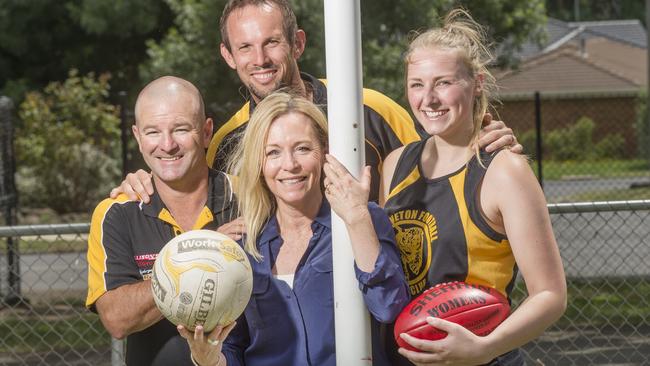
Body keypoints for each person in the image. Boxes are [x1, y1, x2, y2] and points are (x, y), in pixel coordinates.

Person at [110, 0, 521, 204]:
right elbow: (187, 194)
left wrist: (486, 140)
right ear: (228, 56)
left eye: (272, 42)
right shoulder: (227, 142)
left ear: (298, 43)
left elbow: (447, 153)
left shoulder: (368, 109)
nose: (260, 60)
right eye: (245, 47)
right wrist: (144, 182)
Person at [379, 9, 567, 366]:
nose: (428, 98)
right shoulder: (395, 165)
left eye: (443, 82)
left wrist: (486, 348)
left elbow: (551, 295)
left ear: (477, 82)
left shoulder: (504, 170)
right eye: (417, 84)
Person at [176, 92, 410, 366]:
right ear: (259, 163)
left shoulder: (361, 218)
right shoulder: (243, 247)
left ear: (324, 151)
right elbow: (233, 347)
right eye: (273, 152)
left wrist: (357, 219)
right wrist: (209, 360)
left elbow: (389, 307)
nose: (290, 165)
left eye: (302, 148)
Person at [85, 76, 241, 365]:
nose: (167, 145)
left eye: (180, 129)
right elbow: (117, 319)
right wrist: (201, 255)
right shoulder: (116, 213)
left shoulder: (247, 199)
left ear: (207, 132)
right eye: (153, 132)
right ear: (137, 137)